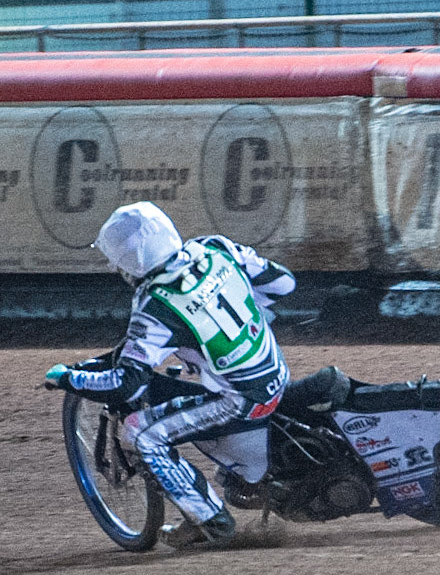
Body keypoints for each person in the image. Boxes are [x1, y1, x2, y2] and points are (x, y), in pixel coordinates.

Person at [44, 201, 295, 548]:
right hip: (276, 371)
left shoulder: (155, 306)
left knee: (141, 433)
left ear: (130, 263)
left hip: (242, 401)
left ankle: (210, 520)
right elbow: (284, 284)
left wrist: (67, 378)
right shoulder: (214, 247)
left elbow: (126, 383)